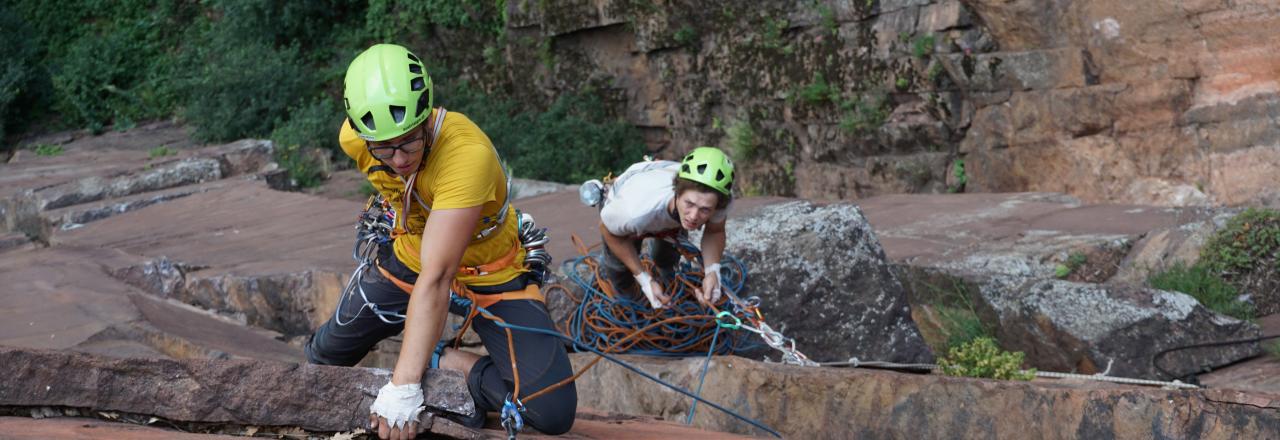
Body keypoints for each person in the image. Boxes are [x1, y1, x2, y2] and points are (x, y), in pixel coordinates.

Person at [304, 44, 576, 439]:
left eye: (409, 141)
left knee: (551, 412)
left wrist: (404, 386)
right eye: (384, 147)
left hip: (490, 269)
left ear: (427, 117)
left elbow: (438, 276)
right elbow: (422, 250)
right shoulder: (356, 140)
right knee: (323, 358)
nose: (398, 159)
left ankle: (445, 360)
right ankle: (419, 352)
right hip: (410, 254)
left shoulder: (466, 157)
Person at [596, 147, 735, 309]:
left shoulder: (719, 199)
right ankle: (628, 298)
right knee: (619, 266)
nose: (693, 216)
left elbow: (714, 231)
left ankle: (667, 276)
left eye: (705, 210)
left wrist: (712, 271)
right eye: (689, 204)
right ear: (677, 191)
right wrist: (644, 280)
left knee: (666, 254)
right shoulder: (634, 212)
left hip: (667, 207)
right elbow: (607, 230)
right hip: (629, 201)